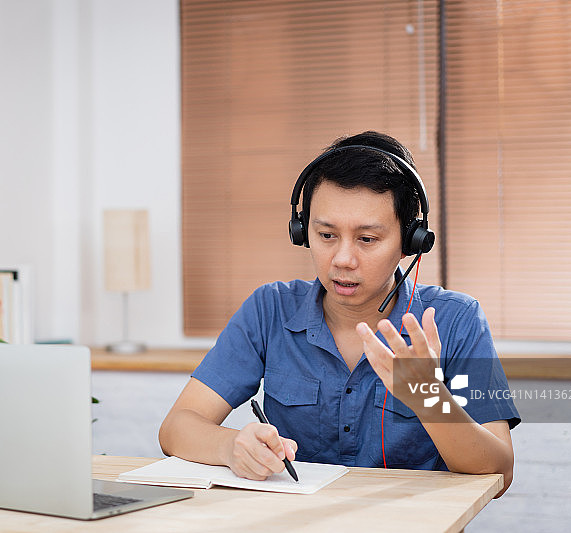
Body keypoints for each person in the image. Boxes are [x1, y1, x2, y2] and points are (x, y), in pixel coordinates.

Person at [158, 131, 520, 497]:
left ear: (410, 241)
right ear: (302, 232)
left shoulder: (456, 320)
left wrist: (427, 396)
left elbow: (498, 471)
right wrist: (231, 447)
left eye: (367, 239)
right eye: (327, 235)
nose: (343, 259)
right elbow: (176, 428)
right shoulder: (270, 309)